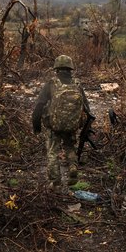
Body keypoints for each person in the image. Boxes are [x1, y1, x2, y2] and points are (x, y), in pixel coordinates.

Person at [32, 55, 90, 191]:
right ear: (71, 68)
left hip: (54, 126)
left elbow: (39, 106)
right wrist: (81, 124)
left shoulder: (51, 84)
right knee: (70, 147)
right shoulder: (77, 84)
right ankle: (73, 169)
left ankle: (55, 182)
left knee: (52, 151)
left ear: (56, 68)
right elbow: (87, 108)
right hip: (71, 126)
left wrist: (36, 125)